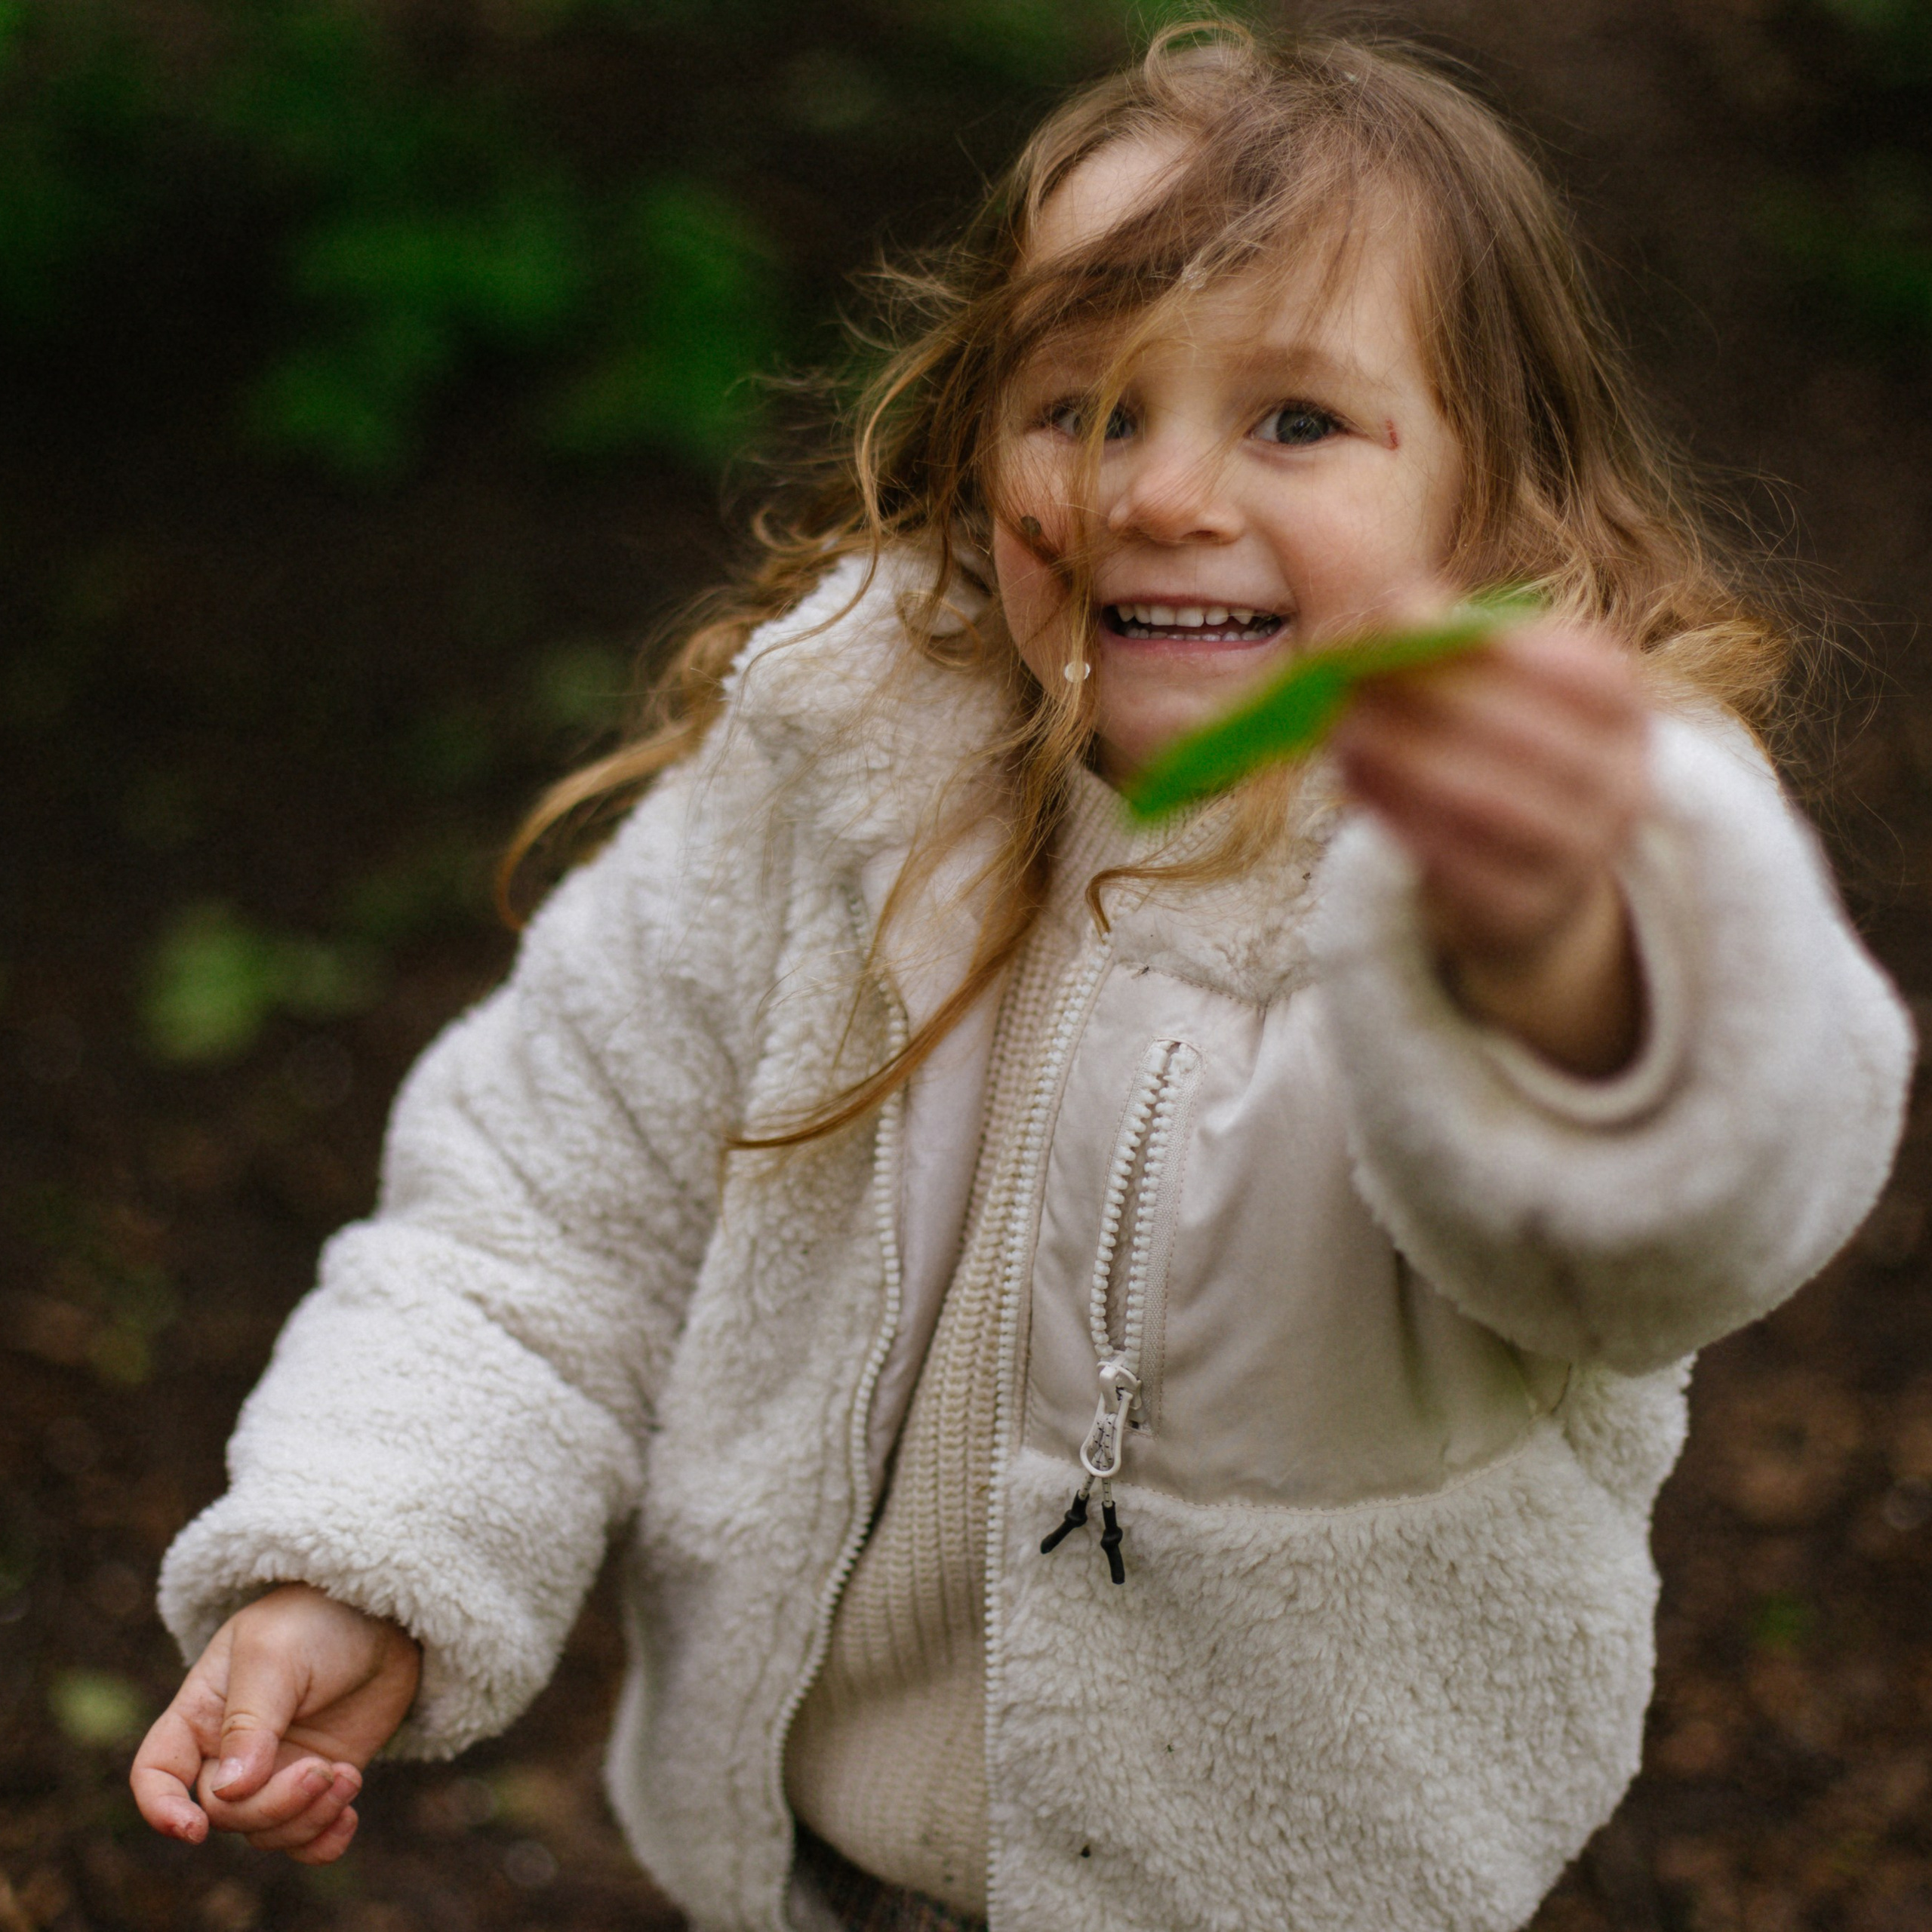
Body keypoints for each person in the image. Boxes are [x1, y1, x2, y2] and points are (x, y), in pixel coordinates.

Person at [131, 23, 1912, 1932]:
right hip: (814, 1870)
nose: (1156, 493)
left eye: (1293, 420)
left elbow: (1680, 1214)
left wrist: (1566, 969)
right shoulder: (849, 771)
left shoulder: (1536, 849)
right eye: (1083, 406)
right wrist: (367, 1547)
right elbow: (544, 1210)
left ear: (1496, 490)